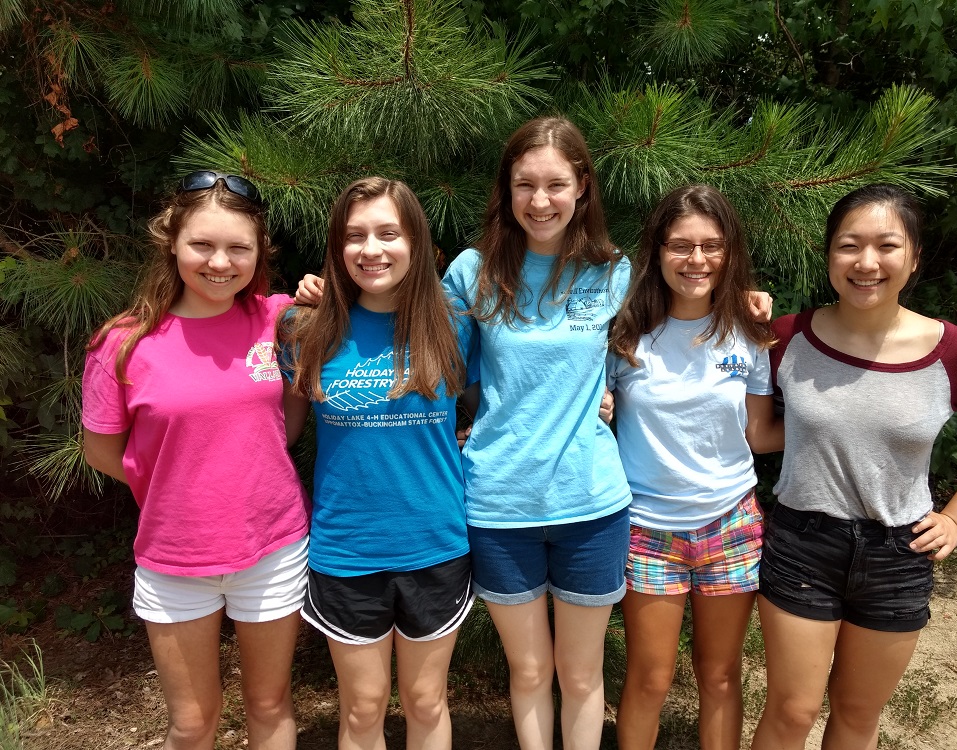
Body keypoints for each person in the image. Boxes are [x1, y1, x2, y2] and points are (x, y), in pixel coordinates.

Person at [751, 183, 957, 750]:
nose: (866, 262)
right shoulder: (786, 338)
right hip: (803, 543)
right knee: (792, 710)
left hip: (899, 554)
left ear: (913, 257)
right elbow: (746, 418)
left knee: (858, 716)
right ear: (829, 254)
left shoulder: (956, 353)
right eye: (848, 246)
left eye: (886, 245)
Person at [82, 171, 310, 750]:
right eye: (202, 245)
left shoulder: (278, 319)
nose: (219, 262)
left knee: (270, 704)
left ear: (258, 253)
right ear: (172, 242)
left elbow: (290, 418)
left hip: (273, 547)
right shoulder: (125, 343)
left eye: (239, 247)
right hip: (174, 557)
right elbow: (103, 451)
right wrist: (179, 484)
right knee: (192, 722)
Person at [439, 116, 632, 750]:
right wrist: (328, 300)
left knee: (581, 675)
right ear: (507, 189)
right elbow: (426, 355)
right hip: (498, 503)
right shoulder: (472, 272)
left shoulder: (614, 272)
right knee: (527, 670)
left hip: (591, 501)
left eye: (555, 184)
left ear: (582, 187)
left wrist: (749, 303)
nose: (540, 201)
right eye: (525, 184)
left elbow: (675, 337)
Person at [278, 177, 477, 750]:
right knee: (363, 709)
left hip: (436, 542)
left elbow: (503, 405)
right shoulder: (303, 328)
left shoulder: (455, 324)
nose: (372, 249)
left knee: (425, 700)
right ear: (337, 248)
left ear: (416, 243)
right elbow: (276, 432)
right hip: (347, 547)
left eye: (388, 233)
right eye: (355, 235)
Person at [607, 184, 783, 750]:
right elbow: (589, 413)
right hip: (646, 528)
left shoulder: (750, 332)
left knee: (721, 676)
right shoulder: (624, 334)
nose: (697, 260)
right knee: (651, 677)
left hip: (730, 523)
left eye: (711, 245)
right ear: (657, 251)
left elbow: (758, 433)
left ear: (730, 251)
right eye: (680, 245)